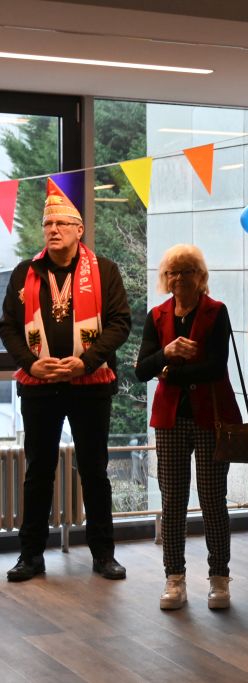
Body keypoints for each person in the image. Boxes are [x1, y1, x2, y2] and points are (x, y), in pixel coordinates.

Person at [1, 180, 131, 583]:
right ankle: (30, 556)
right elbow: (8, 327)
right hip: (38, 386)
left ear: (79, 230)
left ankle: (104, 555)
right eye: (47, 224)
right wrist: (30, 364)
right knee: (38, 472)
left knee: (94, 471)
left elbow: (120, 323)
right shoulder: (25, 272)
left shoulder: (104, 271)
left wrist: (86, 362)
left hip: (91, 384)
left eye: (61, 223)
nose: (53, 229)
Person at [135, 245, 240, 610]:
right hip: (170, 419)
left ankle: (219, 577)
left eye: (187, 271)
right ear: (166, 278)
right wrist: (166, 354)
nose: (180, 278)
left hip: (210, 417)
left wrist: (169, 372)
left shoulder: (216, 311)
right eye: (173, 272)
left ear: (201, 276)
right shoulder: (157, 315)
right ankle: (174, 577)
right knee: (173, 500)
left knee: (213, 500)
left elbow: (216, 367)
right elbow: (141, 369)